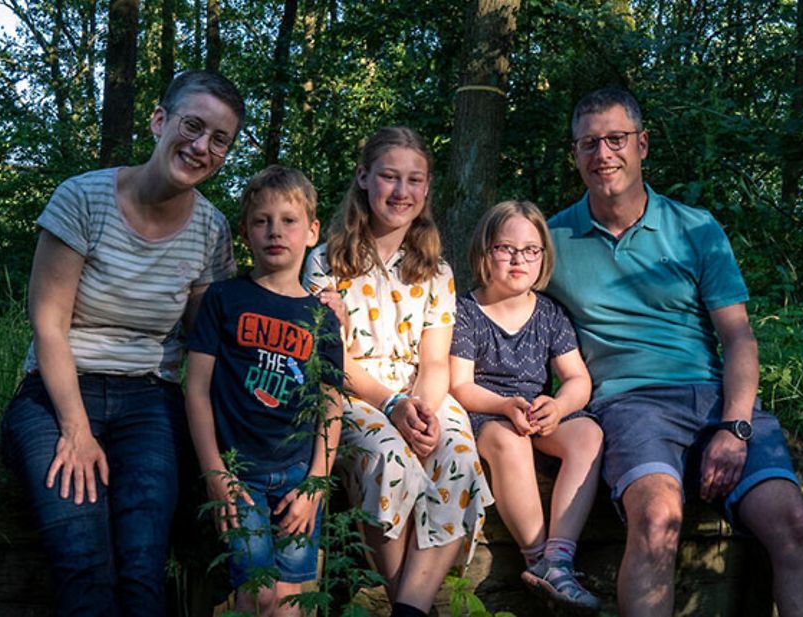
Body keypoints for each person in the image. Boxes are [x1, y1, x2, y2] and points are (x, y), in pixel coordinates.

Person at [545, 87, 803, 617]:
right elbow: (496, 310)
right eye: (588, 144)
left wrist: (736, 426)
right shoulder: (551, 240)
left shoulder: (695, 227)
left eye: (615, 139)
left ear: (643, 144)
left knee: (794, 524)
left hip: (715, 401)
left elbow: (739, 337)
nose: (602, 154)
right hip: (630, 406)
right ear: (575, 155)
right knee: (657, 523)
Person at [0, 70, 245, 616]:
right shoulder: (82, 198)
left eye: (219, 139)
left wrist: (310, 303)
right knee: (84, 561)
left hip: (150, 401)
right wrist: (77, 430)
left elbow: (208, 341)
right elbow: (48, 326)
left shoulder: (211, 230)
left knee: (141, 567)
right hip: (55, 393)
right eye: (193, 125)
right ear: (160, 121)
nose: (202, 145)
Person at [303, 126, 493, 617]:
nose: (401, 191)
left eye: (414, 180)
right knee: (388, 456)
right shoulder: (323, 262)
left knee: (456, 449)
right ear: (365, 178)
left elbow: (434, 361)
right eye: (389, 177)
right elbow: (331, 359)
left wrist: (422, 411)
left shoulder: (436, 270)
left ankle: (408, 609)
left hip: (420, 390)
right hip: (352, 393)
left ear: (427, 189)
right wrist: (392, 407)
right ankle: (413, 607)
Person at [184, 166, 343, 616]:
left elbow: (331, 402)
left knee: (290, 600)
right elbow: (195, 388)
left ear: (312, 232)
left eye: (289, 221)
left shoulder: (322, 316)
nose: (276, 231)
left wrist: (316, 482)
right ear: (245, 233)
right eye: (262, 221)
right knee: (258, 593)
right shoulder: (224, 299)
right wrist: (215, 472)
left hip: (296, 474)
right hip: (239, 475)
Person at [448, 200, 604, 611]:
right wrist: (503, 405)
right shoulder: (466, 311)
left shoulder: (550, 314)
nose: (519, 259)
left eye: (530, 250)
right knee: (510, 441)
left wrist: (558, 404)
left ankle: (559, 558)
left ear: (543, 258)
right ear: (485, 252)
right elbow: (460, 385)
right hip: (489, 413)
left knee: (588, 433)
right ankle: (536, 558)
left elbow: (577, 379)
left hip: (539, 411)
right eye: (506, 248)